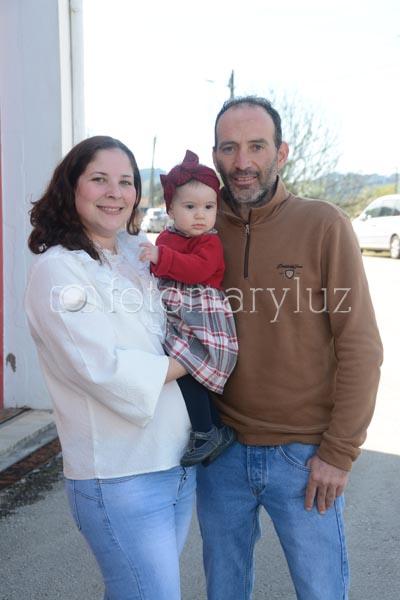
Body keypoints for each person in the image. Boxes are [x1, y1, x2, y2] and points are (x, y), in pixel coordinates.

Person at [196, 97, 383, 600]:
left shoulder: (324, 224)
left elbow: (361, 346)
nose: (242, 162)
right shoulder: (199, 227)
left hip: (304, 456)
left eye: (257, 146)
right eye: (229, 148)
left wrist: (338, 453)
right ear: (214, 155)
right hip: (221, 452)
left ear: (281, 153)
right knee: (223, 591)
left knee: (322, 592)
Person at [24, 135, 196, 600]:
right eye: (99, 179)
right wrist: (197, 357)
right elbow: (104, 369)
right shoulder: (60, 271)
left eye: (126, 182)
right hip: (121, 474)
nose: (115, 193)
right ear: (72, 187)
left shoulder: (136, 254)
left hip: (176, 462)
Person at [139, 150, 238, 466]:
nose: (200, 215)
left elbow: (196, 270)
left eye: (209, 207)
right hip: (177, 311)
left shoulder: (209, 241)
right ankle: (214, 429)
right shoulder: (166, 238)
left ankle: (206, 430)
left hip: (202, 312)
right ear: (170, 208)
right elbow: (159, 273)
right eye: (190, 207)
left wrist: (161, 258)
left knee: (187, 367)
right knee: (187, 370)